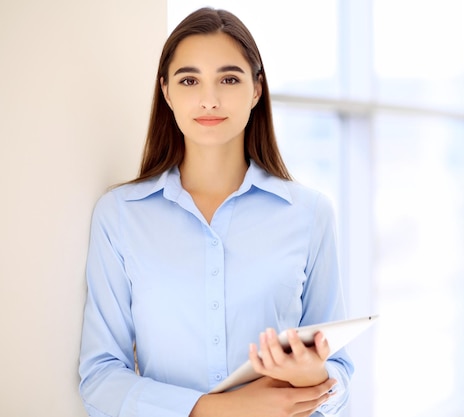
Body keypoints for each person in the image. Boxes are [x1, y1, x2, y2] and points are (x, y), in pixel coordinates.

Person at [78, 6, 353, 417]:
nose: (209, 99)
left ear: (257, 89)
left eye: (229, 79)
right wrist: (221, 409)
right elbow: (99, 378)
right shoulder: (119, 215)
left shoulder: (310, 214)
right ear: (167, 92)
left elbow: (341, 376)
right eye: (189, 80)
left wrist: (312, 377)